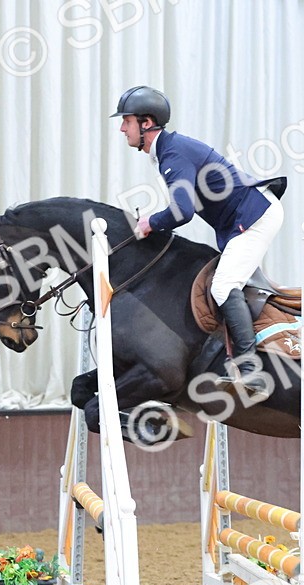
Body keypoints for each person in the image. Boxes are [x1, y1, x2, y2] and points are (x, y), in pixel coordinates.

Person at [111, 85, 286, 397]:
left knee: (222, 287)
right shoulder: (166, 151)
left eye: (127, 121)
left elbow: (182, 211)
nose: (122, 128)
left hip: (255, 216)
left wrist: (150, 222)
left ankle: (251, 371)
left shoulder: (173, 154)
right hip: (243, 218)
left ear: (147, 123)